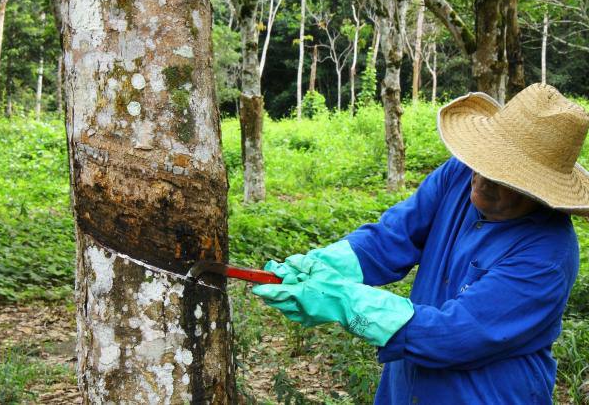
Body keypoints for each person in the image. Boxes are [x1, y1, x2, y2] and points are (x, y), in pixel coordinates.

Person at [252, 83, 589, 404]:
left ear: (539, 191)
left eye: (504, 178)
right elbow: (394, 236)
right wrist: (325, 264)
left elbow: (453, 334)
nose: (482, 180)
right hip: (407, 388)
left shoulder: (547, 254)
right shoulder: (459, 174)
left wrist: (345, 301)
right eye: (483, 162)